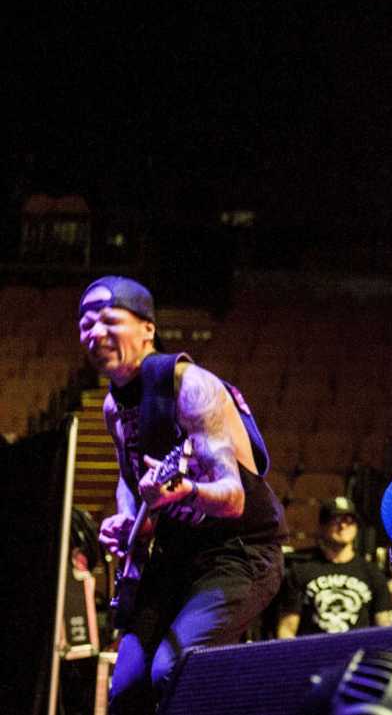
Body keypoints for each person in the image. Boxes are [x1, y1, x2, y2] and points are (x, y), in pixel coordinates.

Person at [83, 276, 286, 715]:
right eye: (84, 323)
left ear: (147, 329)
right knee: (128, 690)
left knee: (174, 672)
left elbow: (232, 498)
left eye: (107, 320)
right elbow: (128, 479)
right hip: (175, 558)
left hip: (239, 553)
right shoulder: (113, 406)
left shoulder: (190, 386)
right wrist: (126, 520)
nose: (93, 332)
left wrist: (186, 490)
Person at [277, 496, 392, 636]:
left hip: (357, 654)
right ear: (322, 526)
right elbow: (287, 629)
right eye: (336, 520)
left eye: (349, 520)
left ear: (356, 527)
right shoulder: (300, 572)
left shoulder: (372, 573)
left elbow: (384, 628)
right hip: (314, 654)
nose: (343, 526)